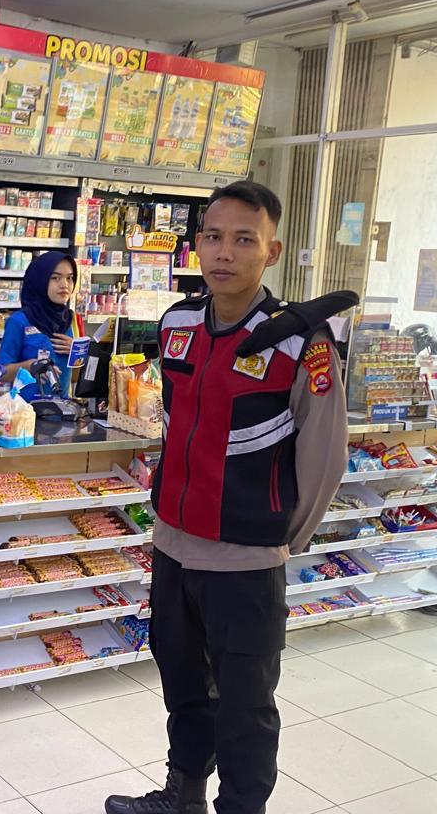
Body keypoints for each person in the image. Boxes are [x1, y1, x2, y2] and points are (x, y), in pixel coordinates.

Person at [105, 182, 354, 814]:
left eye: (245, 239)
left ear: (271, 251)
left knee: (246, 705)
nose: (225, 252)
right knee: (183, 685)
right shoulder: (177, 323)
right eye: (214, 237)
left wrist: (276, 535)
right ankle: (182, 794)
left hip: (246, 560)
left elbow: (325, 456)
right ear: (196, 245)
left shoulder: (301, 342)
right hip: (173, 546)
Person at [0, 251, 85, 398]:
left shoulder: (73, 320)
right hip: (26, 409)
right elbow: (0, 373)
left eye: (70, 278)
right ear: (40, 280)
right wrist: (30, 367)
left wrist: (77, 354)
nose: (65, 285)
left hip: (63, 408)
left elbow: (75, 378)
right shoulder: (19, 321)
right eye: (55, 278)